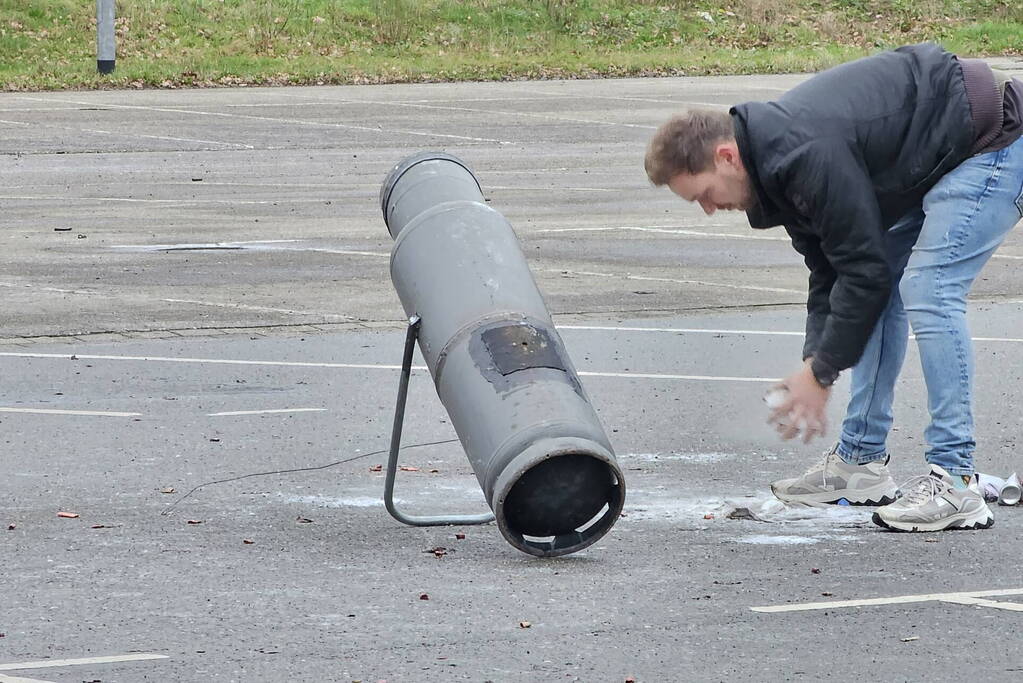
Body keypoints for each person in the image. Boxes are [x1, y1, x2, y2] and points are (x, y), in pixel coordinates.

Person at [644, 43, 1023, 532]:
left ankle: (956, 481)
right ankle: (860, 465)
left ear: (725, 156)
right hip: (936, 147)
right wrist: (812, 362)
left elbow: (862, 273)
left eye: (703, 195)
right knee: (884, 286)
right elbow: (831, 272)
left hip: (991, 139)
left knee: (930, 290)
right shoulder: (774, 169)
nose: (710, 209)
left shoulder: (804, 154)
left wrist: (820, 375)